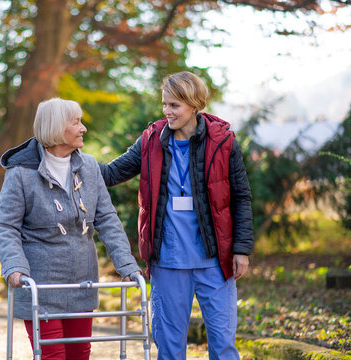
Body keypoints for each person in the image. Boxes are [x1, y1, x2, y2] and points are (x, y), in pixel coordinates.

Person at [99, 71, 254, 360]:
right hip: (168, 263)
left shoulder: (223, 143)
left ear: (194, 105)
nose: (167, 112)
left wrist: (241, 250)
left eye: (175, 106)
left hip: (214, 263)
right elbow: (111, 173)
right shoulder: (150, 141)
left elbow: (241, 197)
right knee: (170, 349)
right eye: (164, 104)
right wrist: (66, 155)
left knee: (223, 347)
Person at [0, 98, 141, 360]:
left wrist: (127, 266)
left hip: (82, 281)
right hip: (41, 284)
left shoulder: (90, 166)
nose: (83, 128)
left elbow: (106, 218)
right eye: (76, 122)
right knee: (53, 356)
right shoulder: (21, 173)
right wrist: (14, 266)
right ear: (57, 127)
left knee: (79, 354)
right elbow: (5, 225)